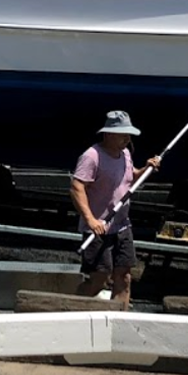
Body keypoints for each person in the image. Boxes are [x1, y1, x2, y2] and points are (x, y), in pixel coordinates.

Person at [70, 110, 161, 309]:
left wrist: (146, 169)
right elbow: (77, 187)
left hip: (121, 225)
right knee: (99, 278)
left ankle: (119, 318)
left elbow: (130, 179)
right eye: (123, 134)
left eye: (129, 134)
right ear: (109, 134)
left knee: (125, 276)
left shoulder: (126, 154)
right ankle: (69, 307)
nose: (127, 139)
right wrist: (91, 220)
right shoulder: (92, 156)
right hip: (98, 227)